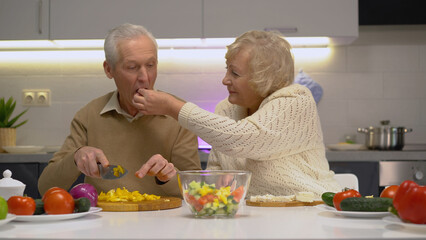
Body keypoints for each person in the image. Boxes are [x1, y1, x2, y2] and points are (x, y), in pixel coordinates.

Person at [132, 30, 341, 197]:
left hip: (312, 213)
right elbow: (217, 178)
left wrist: (173, 107)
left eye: (235, 73)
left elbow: (243, 139)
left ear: (263, 78)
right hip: (256, 219)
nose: (225, 79)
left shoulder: (296, 100)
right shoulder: (226, 109)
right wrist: (170, 177)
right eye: (227, 69)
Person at [38, 23, 201, 197]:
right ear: (109, 70)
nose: (144, 77)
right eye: (132, 67)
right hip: (103, 221)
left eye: (151, 65)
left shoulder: (178, 114)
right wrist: (76, 158)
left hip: (163, 219)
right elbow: (45, 187)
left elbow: (197, 191)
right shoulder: (88, 115)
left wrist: (167, 177)